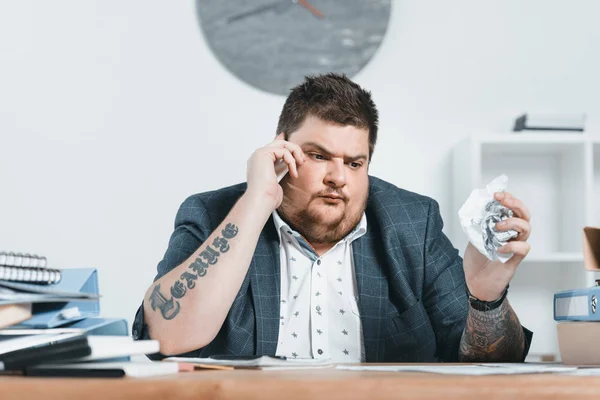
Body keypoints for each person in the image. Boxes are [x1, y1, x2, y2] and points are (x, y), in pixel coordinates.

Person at [132, 73, 532, 362]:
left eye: (355, 163)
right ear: (280, 150)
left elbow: (489, 366)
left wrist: (486, 300)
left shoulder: (413, 223)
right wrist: (257, 200)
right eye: (319, 156)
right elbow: (166, 336)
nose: (338, 177)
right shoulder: (213, 215)